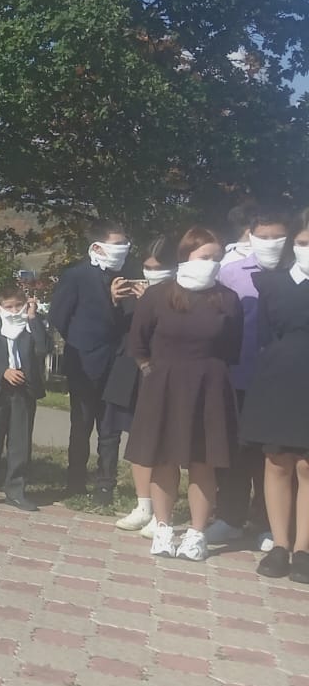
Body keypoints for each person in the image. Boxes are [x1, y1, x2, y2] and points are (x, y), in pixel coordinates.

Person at [126, 227, 243, 563]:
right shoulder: (157, 295)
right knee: (163, 459)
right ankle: (163, 528)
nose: (212, 262)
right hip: (163, 386)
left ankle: (196, 533)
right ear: (186, 256)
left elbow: (232, 347)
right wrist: (151, 372)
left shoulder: (228, 299)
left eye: (217, 257)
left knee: (202, 462)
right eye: (205, 256)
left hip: (209, 388)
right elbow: (137, 343)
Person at [211, 209, 291, 546]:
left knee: (275, 455)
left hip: (285, 382)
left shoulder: (298, 272)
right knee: (235, 450)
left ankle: (266, 523)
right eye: (263, 237)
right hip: (240, 376)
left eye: (278, 237)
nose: (270, 243)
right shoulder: (231, 273)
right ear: (251, 236)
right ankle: (229, 517)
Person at [240, 216, 309, 582]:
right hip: (279, 379)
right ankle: (280, 545)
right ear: (292, 245)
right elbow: (265, 336)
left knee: (307, 466)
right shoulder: (270, 283)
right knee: (278, 461)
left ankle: (303, 549)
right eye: (303, 243)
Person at [51, 221, 135, 504]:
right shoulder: (77, 275)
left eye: (125, 244)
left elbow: (133, 320)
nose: (124, 248)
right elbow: (59, 316)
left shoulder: (128, 276)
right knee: (81, 424)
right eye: (117, 244)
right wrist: (80, 340)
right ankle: (75, 482)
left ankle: (105, 486)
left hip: (117, 363)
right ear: (98, 247)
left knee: (110, 428)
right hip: (84, 363)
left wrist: (119, 302)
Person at [102, 237, 176, 535]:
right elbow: (114, 329)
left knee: (161, 442)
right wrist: (113, 301)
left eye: (158, 268)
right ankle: (143, 504)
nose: (151, 273)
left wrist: (151, 303)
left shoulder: (180, 294)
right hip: (130, 370)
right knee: (136, 438)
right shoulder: (134, 292)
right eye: (147, 267)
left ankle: (162, 510)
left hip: (161, 373)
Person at [0, 283, 49, 512]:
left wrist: (32, 318)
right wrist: (3, 372)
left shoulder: (33, 323)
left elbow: (42, 349)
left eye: (18, 306)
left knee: (20, 445)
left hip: (24, 391)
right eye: (9, 307)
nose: (14, 311)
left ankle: (15, 490)